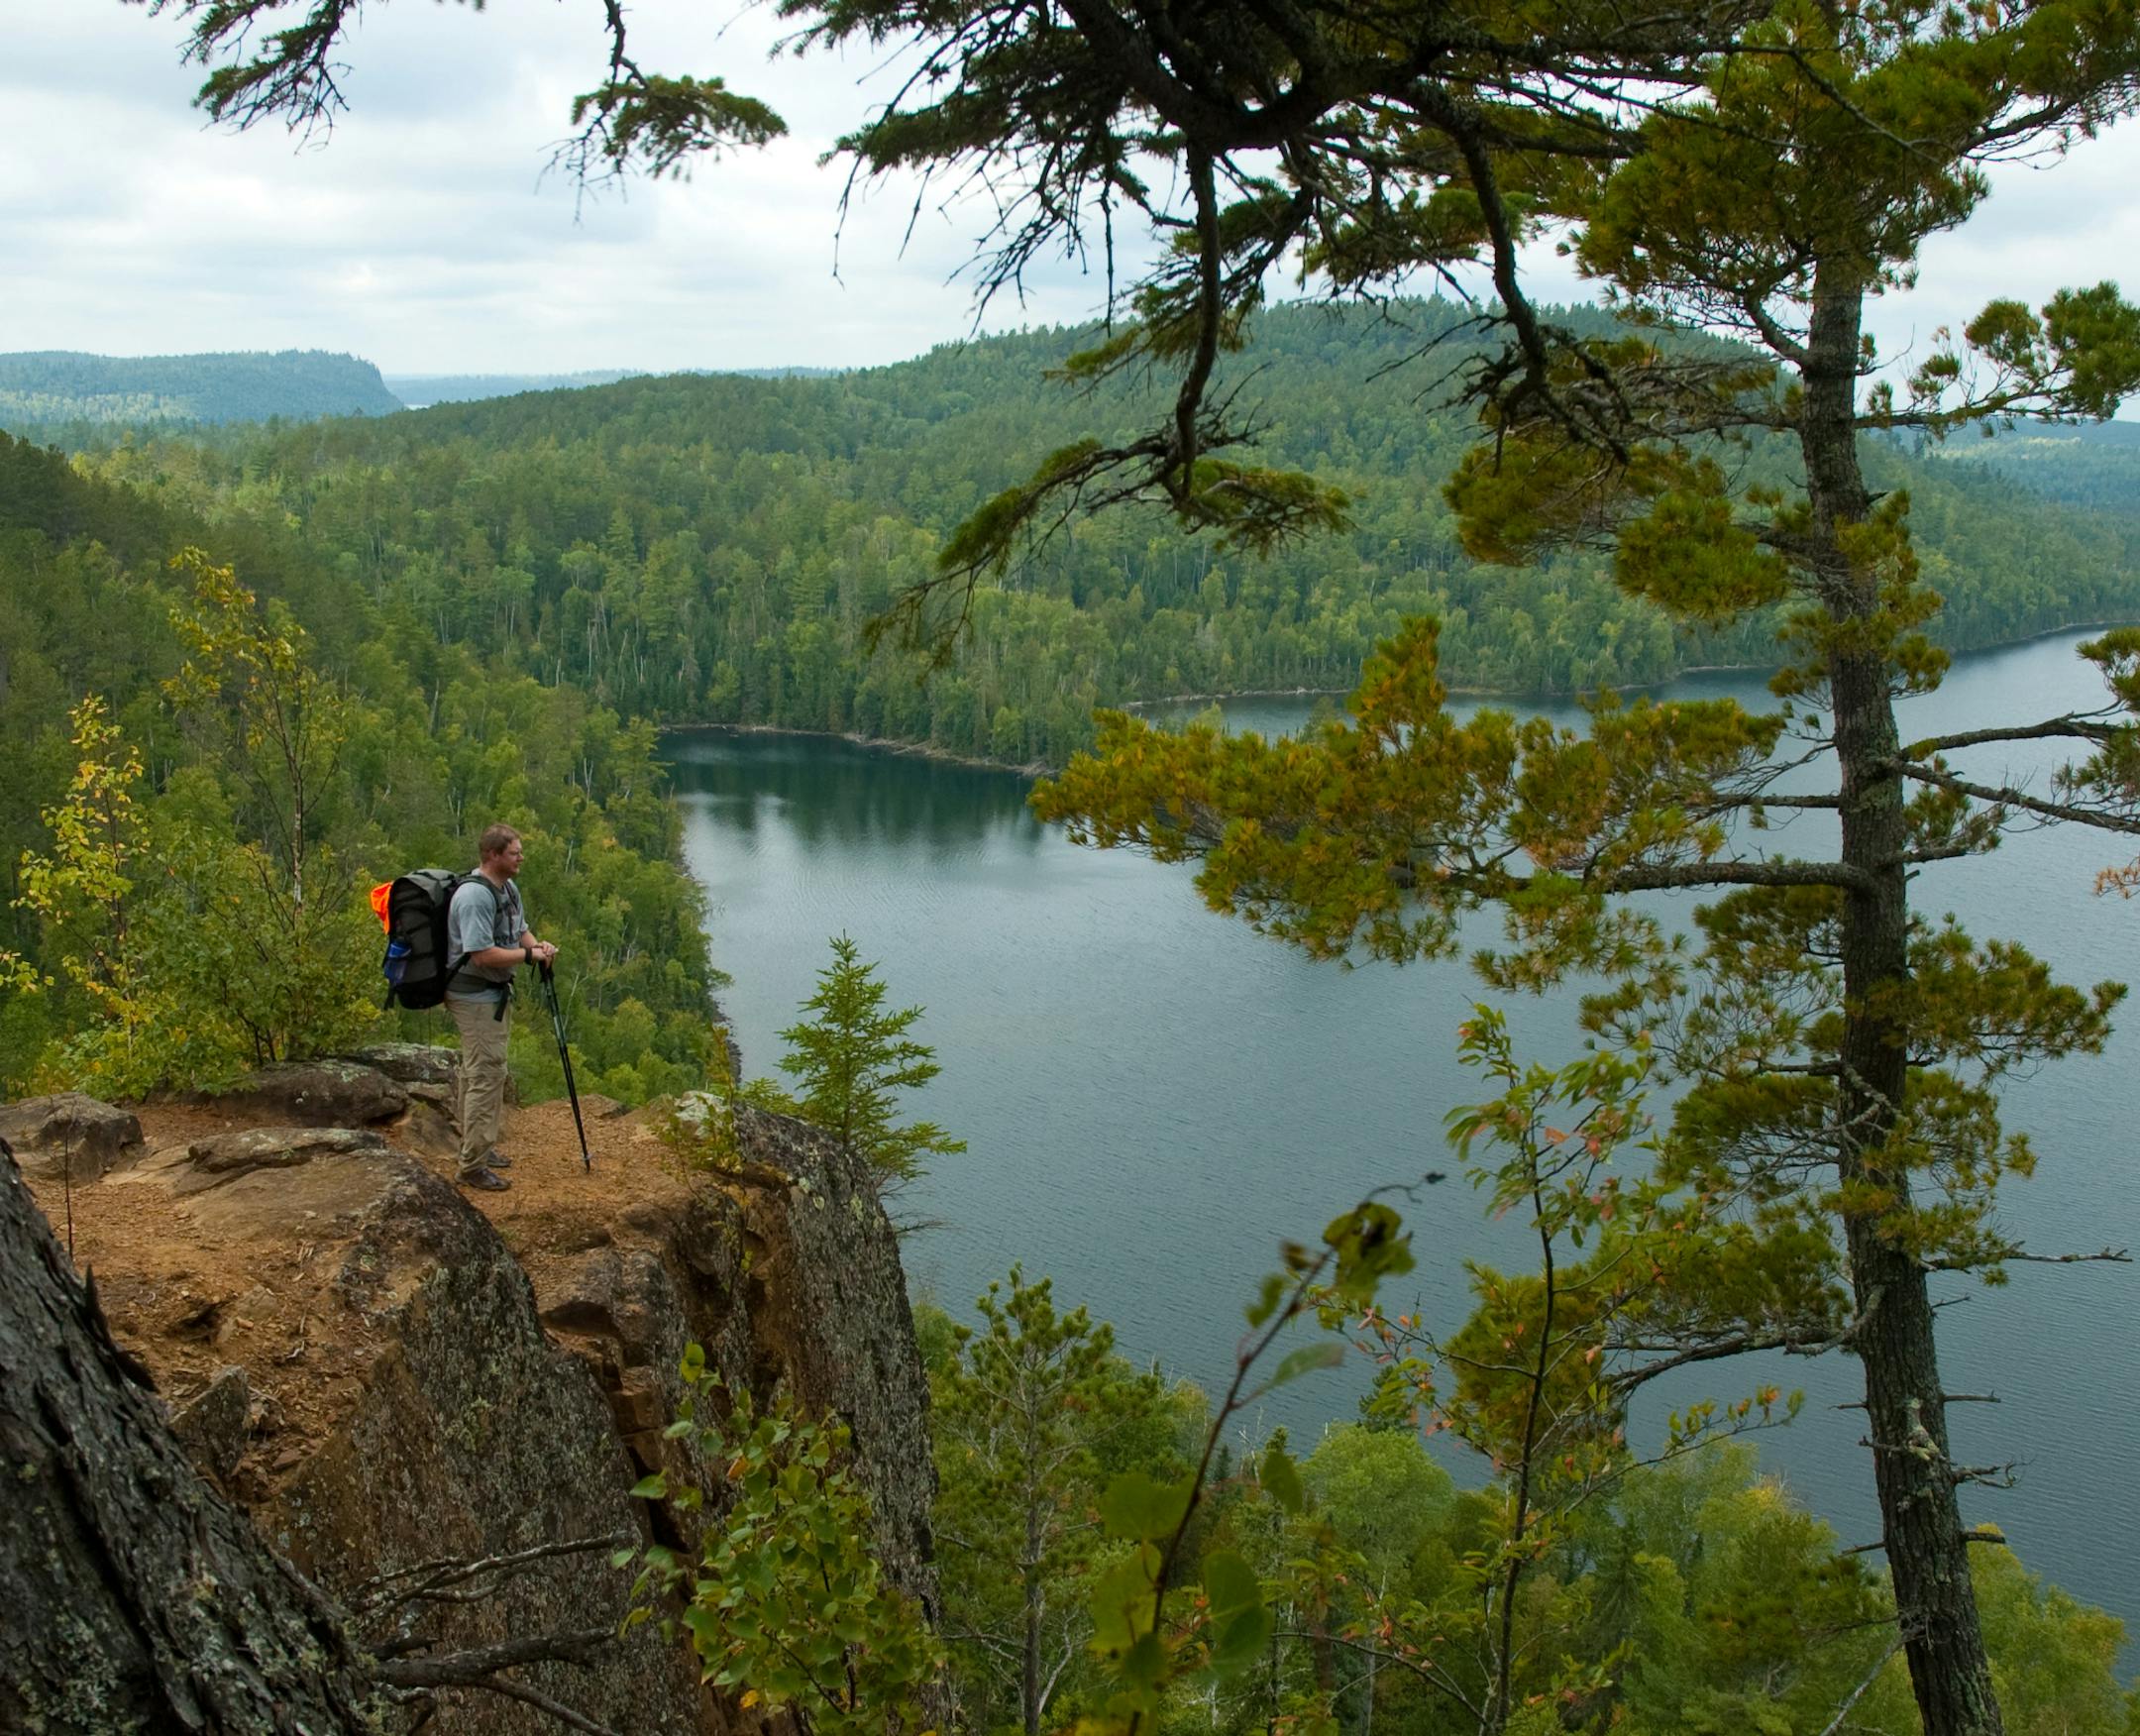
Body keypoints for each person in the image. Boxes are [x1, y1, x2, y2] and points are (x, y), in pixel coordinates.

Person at [445, 822, 557, 1191]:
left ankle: (479, 1145)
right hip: (473, 995)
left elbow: (519, 929)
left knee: (485, 1070)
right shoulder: (475, 897)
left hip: (492, 994)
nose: (521, 857)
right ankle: (472, 1166)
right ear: (493, 855)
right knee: (485, 1074)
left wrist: (538, 948)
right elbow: (480, 955)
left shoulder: (507, 887)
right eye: (514, 852)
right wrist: (527, 956)